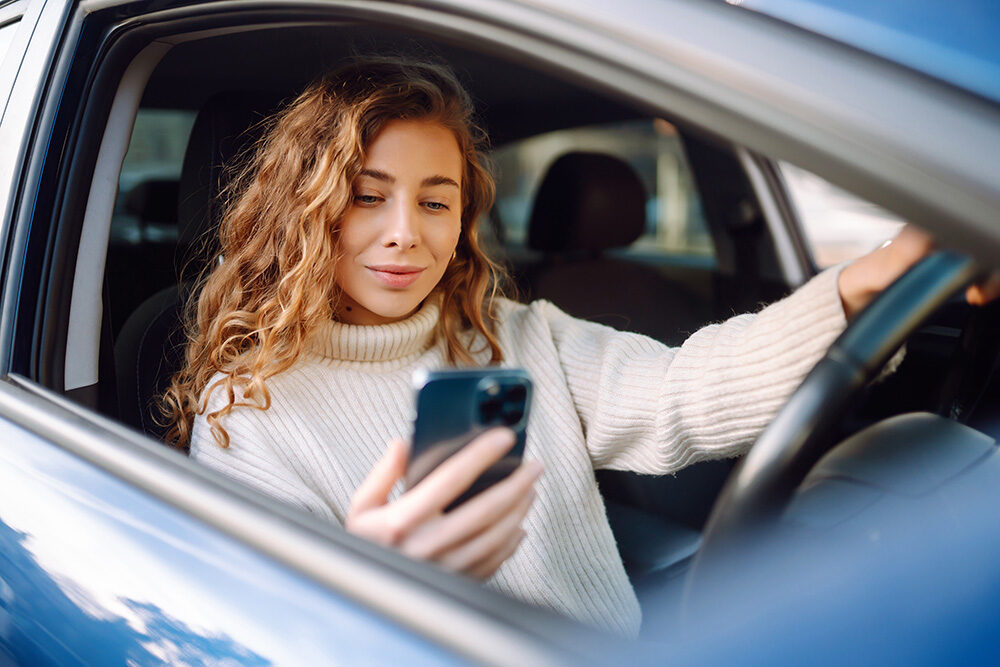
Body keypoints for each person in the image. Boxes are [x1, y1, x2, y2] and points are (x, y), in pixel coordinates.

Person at [161, 57, 967, 637]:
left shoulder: (515, 335)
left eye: (436, 202)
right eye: (368, 197)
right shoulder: (250, 413)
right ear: (308, 209)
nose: (406, 234)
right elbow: (265, 637)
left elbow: (684, 391)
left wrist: (866, 282)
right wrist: (366, 585)